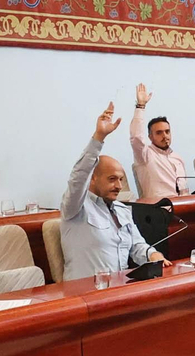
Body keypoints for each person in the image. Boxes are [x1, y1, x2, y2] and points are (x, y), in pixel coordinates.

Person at [59, 103, 169, 281]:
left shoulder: (122, 210)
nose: (118, 185)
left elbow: (137, 245)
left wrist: (152, 255)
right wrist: (99, 138)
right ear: (93, 178)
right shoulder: (76, 208)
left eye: (121, 179)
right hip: (83, 294)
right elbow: (78, 177)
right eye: (112, 179)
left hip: (118, 291)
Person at [129, 82, 188, 202]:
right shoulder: (145, 156)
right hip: (159, 210)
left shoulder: (178, 158)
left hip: (183, 205)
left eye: (167, 131)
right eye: (159, 133)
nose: (165, 136)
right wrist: (140, 106)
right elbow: (136, 138)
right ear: (150, 136)